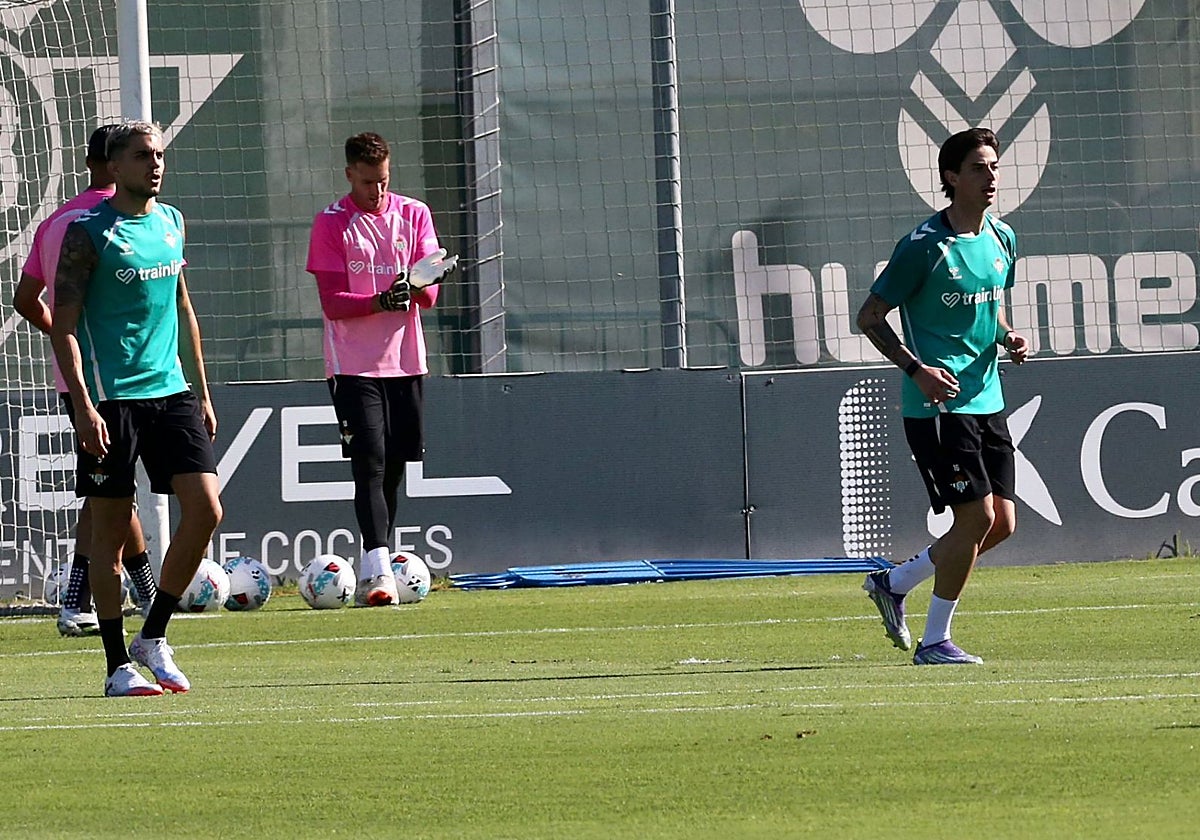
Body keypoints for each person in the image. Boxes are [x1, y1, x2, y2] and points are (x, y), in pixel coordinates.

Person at [50, 120, 223, 697]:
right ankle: (115, 665)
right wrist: (84, 405)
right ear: (115, 166)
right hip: (112, 399)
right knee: (109, 534)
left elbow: (182, 307)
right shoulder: (87, 233)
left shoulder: (172, 221)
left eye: (160, 155)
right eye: (144, 156)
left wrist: (201, 390)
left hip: (171, 392)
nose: (156, 165)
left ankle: (153, 635)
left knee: (206, 510)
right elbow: (64, 327)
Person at [855, 127, 1030, 665]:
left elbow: (991, 309)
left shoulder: (1003, 237)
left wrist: (1007, 336)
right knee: (974, 520)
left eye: (994, 166)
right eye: (978, 168)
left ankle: (894, 583)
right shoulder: (923, 247)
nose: (991, 176)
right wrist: (916, 369)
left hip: (987, 398)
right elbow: (869, 318)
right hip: (939, 406)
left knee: (1002, 524)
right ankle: (934, 642)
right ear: (952, 178)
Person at [12, 124, 159, 637]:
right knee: (109, 495)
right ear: (113, 164)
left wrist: (65, 337)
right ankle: (83, 600)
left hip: (73, 374)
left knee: (110, 494)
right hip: (123, 376)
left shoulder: (55, 221)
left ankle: (130, 591)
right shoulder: (123, 220)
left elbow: (25, 300)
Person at [305, 131, 457, 606]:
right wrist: (379, 300)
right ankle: (379, 572)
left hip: (406, 361)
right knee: (368, 462)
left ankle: (378, 561)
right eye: (368, 181)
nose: (377, 191)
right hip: (353, 365)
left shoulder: (414, 214)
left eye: (384, 180)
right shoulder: (331, 223)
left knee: (393, 467)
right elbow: (333, 303)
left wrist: (418, 283)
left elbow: (429, 295)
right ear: (349, 174)